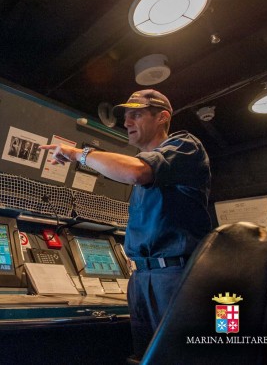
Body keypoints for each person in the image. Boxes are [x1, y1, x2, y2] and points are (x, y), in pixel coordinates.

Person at [40, 89, 211, 359]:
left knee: (180, 357)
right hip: (142, 278)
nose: (127, 122)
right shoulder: (144, 169)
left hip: (175, 276)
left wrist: (78, 154)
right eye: (126, 116)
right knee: (145, 357)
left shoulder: (184, 146)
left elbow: (134, 171)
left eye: (136, 115)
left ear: (162, 117)